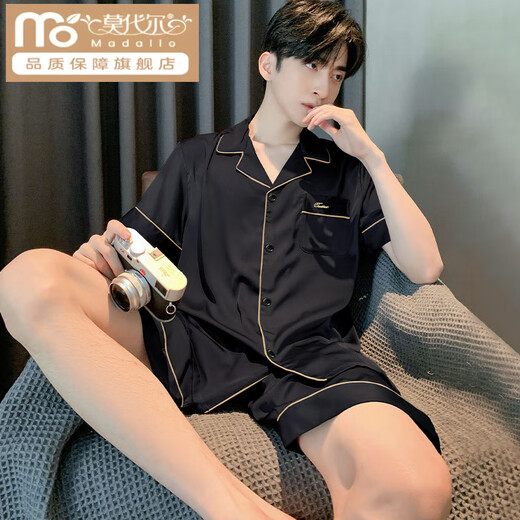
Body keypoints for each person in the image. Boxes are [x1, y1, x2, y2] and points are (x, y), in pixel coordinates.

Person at [0, 1, 452, 519]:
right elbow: (134, 251)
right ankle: (230, 506)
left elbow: (424, 266)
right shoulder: (198, 158)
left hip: (311, 360)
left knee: (418, 490)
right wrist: (101, 255)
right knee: (27, 278)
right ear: (267, 64)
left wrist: (372, 156)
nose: (323, 87)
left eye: (336, 74)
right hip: (191, 340)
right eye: (311, 63)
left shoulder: (350, 172)